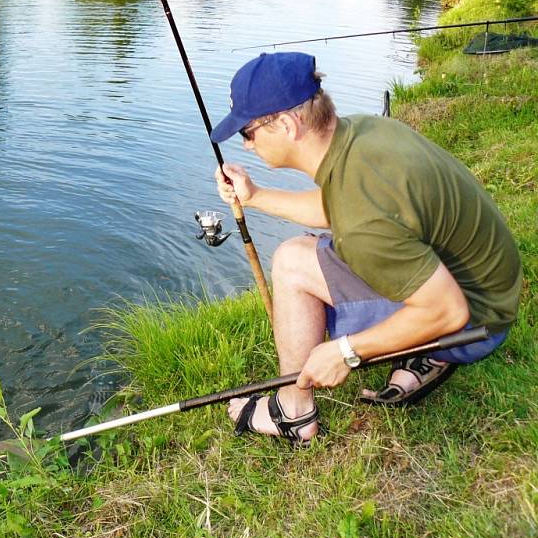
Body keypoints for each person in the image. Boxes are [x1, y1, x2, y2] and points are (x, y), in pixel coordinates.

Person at [209, 52, 522, 447]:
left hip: (474, 324)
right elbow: (339, 205)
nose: (248, 146)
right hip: (487, 291)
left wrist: (345, 351)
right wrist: (253, 197)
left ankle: (293, 411)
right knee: (308, 253)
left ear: (287, 125)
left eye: (247, 133)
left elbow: (448, 310)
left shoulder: (364, 219)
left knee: (292, 263)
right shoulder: (362, 132)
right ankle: (426, 355)